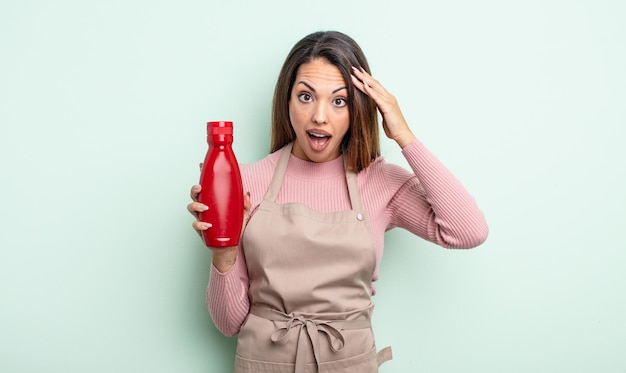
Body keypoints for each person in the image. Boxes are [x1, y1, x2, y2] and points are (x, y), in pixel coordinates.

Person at [187, 30, 488, 373]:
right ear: (286, 102)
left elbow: (469, 231)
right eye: (305, 97)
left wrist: (403, 134)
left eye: (339, 101)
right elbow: (229, 323)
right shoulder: (246, 182)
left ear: (357, 109)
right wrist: (222, 253)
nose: (319, 116)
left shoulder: (379, 181)